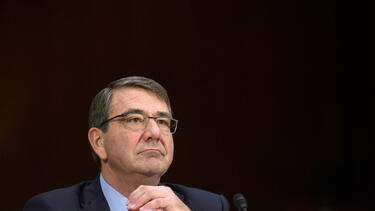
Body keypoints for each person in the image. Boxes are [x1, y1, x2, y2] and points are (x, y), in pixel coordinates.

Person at [23, 76, 230, 211]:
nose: (154, 133)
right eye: (134, 120)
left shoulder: (209, 206)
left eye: (162, 121)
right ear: (99, 142)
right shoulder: (51, 208)